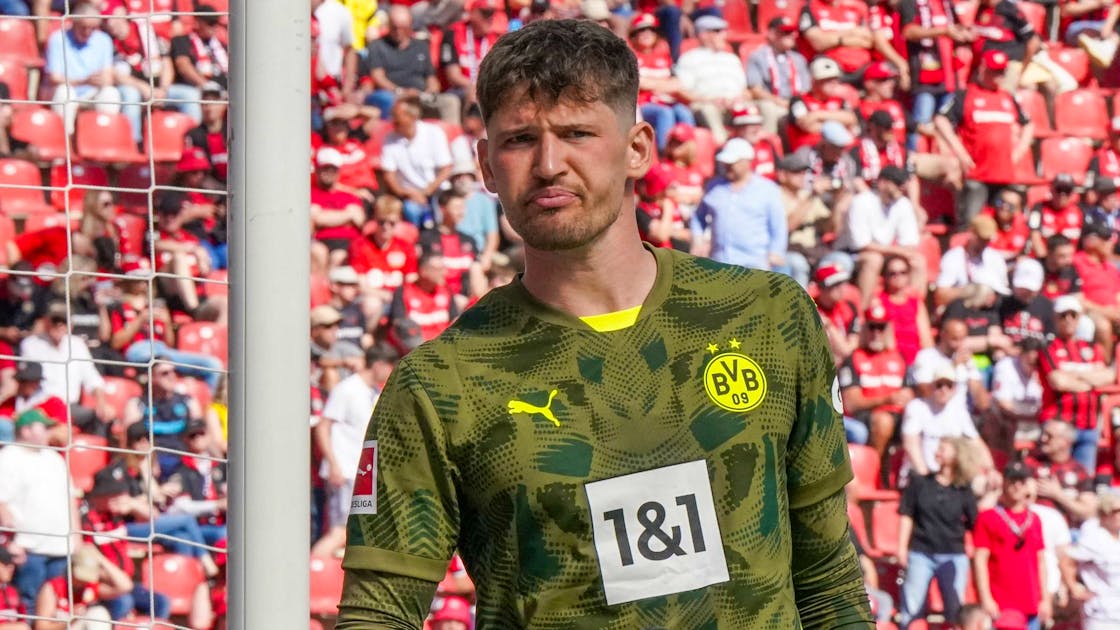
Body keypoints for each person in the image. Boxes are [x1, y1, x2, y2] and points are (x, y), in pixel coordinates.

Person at [337, 19, 873, 628]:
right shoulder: (439, 384)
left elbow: (829, 586)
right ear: (485, 165)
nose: (548, 164)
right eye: (519, 140)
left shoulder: (769, 317)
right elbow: (376, 618)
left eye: (577, 133)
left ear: (638, 148)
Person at [311, 344, 398, 559]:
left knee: (356, 533)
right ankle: (313, 570)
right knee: (339, 532)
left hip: (363, 475)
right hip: (345, 471)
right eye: (390, 367)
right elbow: (323, 426)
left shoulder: (374, 393)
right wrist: (333, 464)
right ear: (378, 365)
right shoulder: (347, 389)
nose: (391, 373)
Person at [933, 49, 1034, 227]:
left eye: (1001, 72)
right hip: (976, 175)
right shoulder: (966, 96)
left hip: (1004, 176)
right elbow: (941, 120)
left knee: (1002, 228)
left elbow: (1028, 124)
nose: (998, 77)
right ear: (983, 69)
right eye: (994, 71)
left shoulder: (1007, 98)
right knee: (971, 226)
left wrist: (1018, 152)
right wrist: (961, 154)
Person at [0, 410, 79, 613]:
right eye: (43, 427)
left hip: (61, 548)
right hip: (28, 549)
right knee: (27, 605)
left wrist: (77, 536)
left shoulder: (55, 458)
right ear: (25, 430)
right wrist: (9, 542)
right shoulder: (8, 457)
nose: (48, 432)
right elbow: (1, 502)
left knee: (57, 609)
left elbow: (71, 499)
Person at [897, 437, 980, 630]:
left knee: (955, 610)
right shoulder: (920, 483)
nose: (938, 452)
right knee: (912, 610)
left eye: (943, 449)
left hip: (953, 555)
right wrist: (901, 547)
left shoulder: (963, 489)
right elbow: (907, 514)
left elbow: (974, 521)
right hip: (921, 552)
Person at [1038, 295, 1114, 473]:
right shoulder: (1049, 347)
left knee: (1083, 478)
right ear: (1055, 318)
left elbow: (1108, 376)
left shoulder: (1092, 348)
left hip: (1088, 424)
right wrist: (1090, 378)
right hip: (1058, 425)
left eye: (1073, 315)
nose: (1069, 320)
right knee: (1055, 474)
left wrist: (1072, 375)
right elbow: (1058, 381)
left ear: (1079, 318)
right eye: (1063, 315)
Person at [974, 461, 1052, 630]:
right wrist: (986, 598)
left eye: (1021, 481)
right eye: (1012, 481)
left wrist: (1045, 599)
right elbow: (980, 560)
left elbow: (1040, 561)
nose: (1017, 486)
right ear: (1004, 483)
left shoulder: (1034, 519)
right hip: (1000, 603)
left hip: (1030, 602)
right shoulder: (988, 517)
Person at [690, 138, 788, 272]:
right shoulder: (714, 187)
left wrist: (776, 252)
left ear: (747, 162)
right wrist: (698, 239)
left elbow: (778, 225)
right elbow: (698, 217)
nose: (728, 166)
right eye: (726, 163)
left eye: (733, 163)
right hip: (720, 262)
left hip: (755, 265)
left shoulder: (768, 190)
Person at [838, 303, 912, 455]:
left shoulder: (899, 358)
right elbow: (851, 403)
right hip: (866, 416)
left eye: (881, 328)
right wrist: (886, 400)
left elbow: (908, 393)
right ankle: (876, 466)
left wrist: (908, 397)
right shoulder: (853, 359)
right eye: (872, 327)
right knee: (883, 422)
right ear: (864, 329)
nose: (876, 333)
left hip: (899, 416)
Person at [44, 2, 121, 135]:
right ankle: (66, 139)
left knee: (110, 93)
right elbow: (53, 78)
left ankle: (105, 138)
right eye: (83, 27)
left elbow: (108, 75)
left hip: (92, 93)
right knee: (64, 93)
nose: (87, 32)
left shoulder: (104, 40)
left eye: (92, 28)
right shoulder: (57, 39)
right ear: (74, 23)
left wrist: (103, 80)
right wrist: (84, 81)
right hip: (67, 90)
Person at [1061, 489, 1120, 630]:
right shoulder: (1095, 536)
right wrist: (1074, 587)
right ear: (1105, 514)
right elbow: (1066, 560)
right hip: (1101, 616)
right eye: (1116, 511)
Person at [33, 545, 127, 630]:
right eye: (80, 577)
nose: (82, 581)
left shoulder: (90, 586)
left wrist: (100, 558)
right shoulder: (52, 587)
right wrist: (71, 620)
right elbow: (41, 627)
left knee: (99, 613)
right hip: (64, 626)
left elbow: (125, 586)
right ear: (71, 569)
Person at [745, 16, 811, 134]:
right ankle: (770, 143)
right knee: (768, 108)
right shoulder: (758, 56)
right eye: (786, 32)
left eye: (792, 32)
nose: (792, 35)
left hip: (795, 103)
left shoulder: (799, 59)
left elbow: (806, 89)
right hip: (773, 103)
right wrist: (781, 102)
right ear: (771, 34)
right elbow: (756, 90)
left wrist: (795, 104)